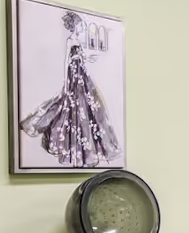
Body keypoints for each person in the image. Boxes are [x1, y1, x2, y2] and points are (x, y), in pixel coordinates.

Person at [20, 10, 121, 167]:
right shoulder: (70, 40)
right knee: (73, 108)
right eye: (80, 24)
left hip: (82, 75)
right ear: (75, 26)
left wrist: (88, 58)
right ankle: (73, 146)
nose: (82, 27)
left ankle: (88, 149)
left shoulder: (77, 41)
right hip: (74, 76)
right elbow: (66, 60)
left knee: (90, 107)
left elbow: (80, 57)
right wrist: (66, 82)